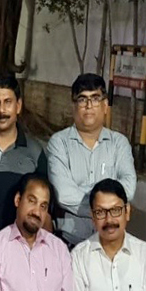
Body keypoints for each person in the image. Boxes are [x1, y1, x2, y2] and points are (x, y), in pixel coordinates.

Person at [48, 73, 137, 247]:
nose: (89, 106)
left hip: (111, 243)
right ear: (73, 106)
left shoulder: (119, 143)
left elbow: (129, 187)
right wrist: (108, 207)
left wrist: (84, 194)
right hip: (70, 242)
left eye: (95, 98)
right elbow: (63, 193)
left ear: (105, 105)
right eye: (82, 99)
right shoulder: (59, 143)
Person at [0, 73, 49, 239]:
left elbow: (44, 209)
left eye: (8, 102)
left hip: (19, 247)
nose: (1, 110)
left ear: (18, 106)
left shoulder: (35, 152)